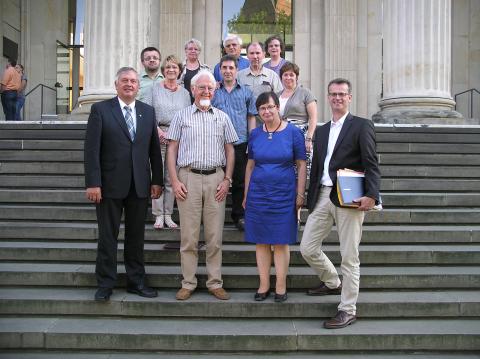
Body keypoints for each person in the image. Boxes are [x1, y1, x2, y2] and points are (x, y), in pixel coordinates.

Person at [300, 78, 381, 329]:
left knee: (349, 256)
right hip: (323, 195)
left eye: (342, 94)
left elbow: (371, 162)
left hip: (350, 197)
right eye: (333, 94)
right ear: (328, 97)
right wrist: (308, 196)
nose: (337, 98)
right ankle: (332, 281)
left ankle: (348, 309)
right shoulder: (321, 130)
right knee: (307, 247)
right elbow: (317, 169)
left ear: (349, 97)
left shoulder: (362, 126)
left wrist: (372, 195)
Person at [84, 67, 163, 302]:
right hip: (108, 186)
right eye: (125, 81)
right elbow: (91, 150)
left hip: (139, 185)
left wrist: (157, 180)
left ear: (139, 86)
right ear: (116, 84)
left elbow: (153, 151)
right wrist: (93, 183)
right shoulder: (100, 109)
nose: (129, 84)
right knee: (108, 236)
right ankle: (105, 283)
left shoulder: (147, 112)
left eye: (133, 81)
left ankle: (136, 281)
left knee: (136, 237)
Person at [167, 70, 238, 301]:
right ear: (193, 90)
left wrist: (227, 179)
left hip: (216, 179)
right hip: (188, 179)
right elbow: (171, 150)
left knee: (214, 236)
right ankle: (188, 283)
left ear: (214, 91)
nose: (206, 91)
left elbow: (230, 150)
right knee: (188, 236)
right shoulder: (181, 116)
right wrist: (175, 181)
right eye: (201, 87)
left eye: (210, 88)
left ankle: (214, 282)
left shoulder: (223, 117)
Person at [243, 92, 306, 303]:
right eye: (262, 108)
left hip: (284, 193)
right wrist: (246, 194)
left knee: (280, 241)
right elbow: (250, 165)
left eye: (270, 107)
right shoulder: (255, 134)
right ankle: (264, 284)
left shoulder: (293, 133)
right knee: (260, 241)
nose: (266, 111)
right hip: (258, 194)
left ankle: (281, 284)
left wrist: (300, 193)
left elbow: (301, 165)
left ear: (278, 107)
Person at [144, 55, 190, 229]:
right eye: (168, 67)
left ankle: (168, 214)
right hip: (157, 136)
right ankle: (158, 215)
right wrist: (159, 132)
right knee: (157, 175)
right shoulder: (154, 89)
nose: (171, 70)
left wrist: (173, 133)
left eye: (175, 67)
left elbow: (187, 116)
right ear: (163, 71)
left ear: (179, 71)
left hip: (177, 138)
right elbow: (147, 113)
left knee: (172, 177)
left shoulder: (185, 93)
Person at [212, 55, 257, 231]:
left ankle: (239, 215)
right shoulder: (214, 91)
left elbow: (251, 117)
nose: (228, 71)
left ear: (237, 70)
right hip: (216, 143)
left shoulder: (246, 92)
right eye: (225, 68)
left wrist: (252, 142)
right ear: (220, 70)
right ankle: (215, 216)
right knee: (216, 180)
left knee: (239, 181)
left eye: (231, 68)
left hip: (240, 142)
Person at [277, 62, 318, 175]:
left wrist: (309, 138)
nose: (288, 77)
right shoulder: (276, 95)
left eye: (291, 75)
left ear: (296, 77)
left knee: (301, 167)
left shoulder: (305, 93)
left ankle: (300, 192)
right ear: (281, 77)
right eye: (285, 75)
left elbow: (313, 118)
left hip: (300, 135)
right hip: (281, 136)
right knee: (284, 168)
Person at [179, 38, 210, 103]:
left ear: (199, 52)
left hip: (201, 102)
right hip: (182, 102)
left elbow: (210, 85)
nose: (193, 51)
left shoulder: (206, 68)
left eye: (196, 49)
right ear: (186, 51)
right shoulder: (179, 67)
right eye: (190, 49)